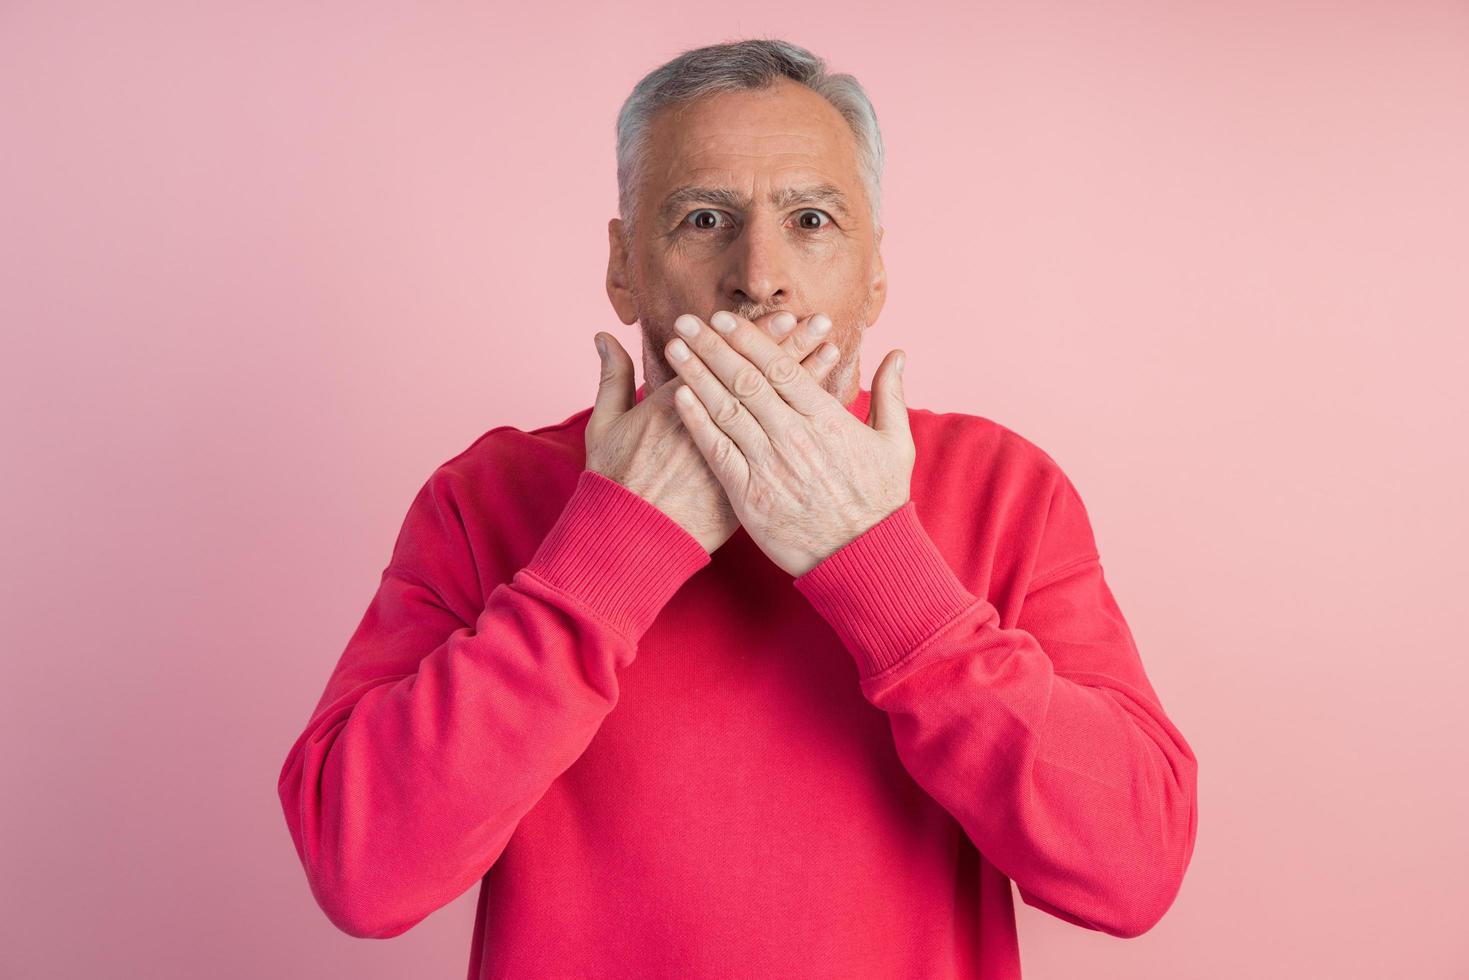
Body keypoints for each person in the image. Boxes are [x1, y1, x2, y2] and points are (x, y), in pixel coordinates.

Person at [277, 37, 1198, 979]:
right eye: (704, 217)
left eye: (809, 219)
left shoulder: (1004, 491)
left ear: (874, 271)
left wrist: (876, 561)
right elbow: (364, 873)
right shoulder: (486, 499)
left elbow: (1130, 872)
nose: (758, 276)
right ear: (624, 265)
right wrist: (608, 555)